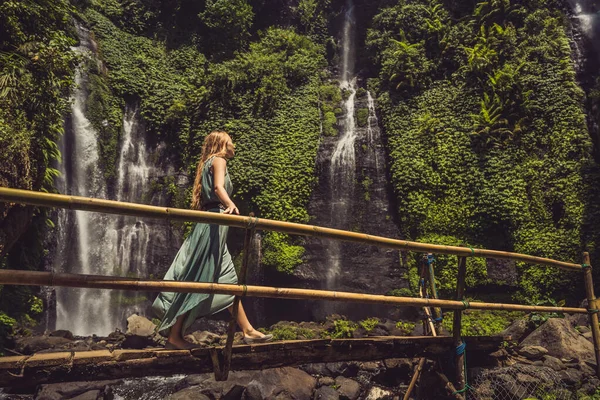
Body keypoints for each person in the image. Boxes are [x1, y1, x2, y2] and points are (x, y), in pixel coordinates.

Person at [152, 131, 272, 349]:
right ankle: (175, 336)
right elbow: (218, 187)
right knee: (197, 277)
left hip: (214, 224)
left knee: (227, 280)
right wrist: (230, 205)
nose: (234, 144)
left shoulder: (208, 162)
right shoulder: (219, 160)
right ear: (222, 144)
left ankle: (248, 330)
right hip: (214, 224)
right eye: (231, 141)